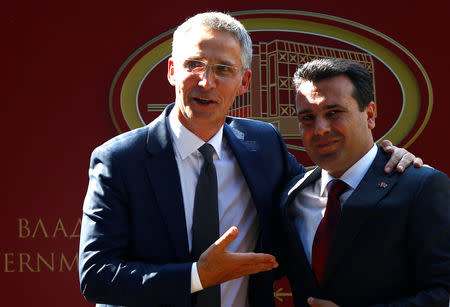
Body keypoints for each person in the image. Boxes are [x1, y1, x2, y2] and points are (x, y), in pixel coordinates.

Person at [79, 12, 421, 307]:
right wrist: (197, 276)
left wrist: (384, 159)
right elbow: (95, 275)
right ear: (171, 71)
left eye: (223, 69)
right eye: (193, 64)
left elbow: (320, 189)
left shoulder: (263, 144)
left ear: (244, 82)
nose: (206, 81)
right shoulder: (120, 160)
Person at [279, 58, 449, 307]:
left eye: (333, 113)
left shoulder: (421, 187)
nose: (320, 129)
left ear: (370, 115)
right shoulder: (291, 197)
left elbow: (443, 294)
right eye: (307, 118)